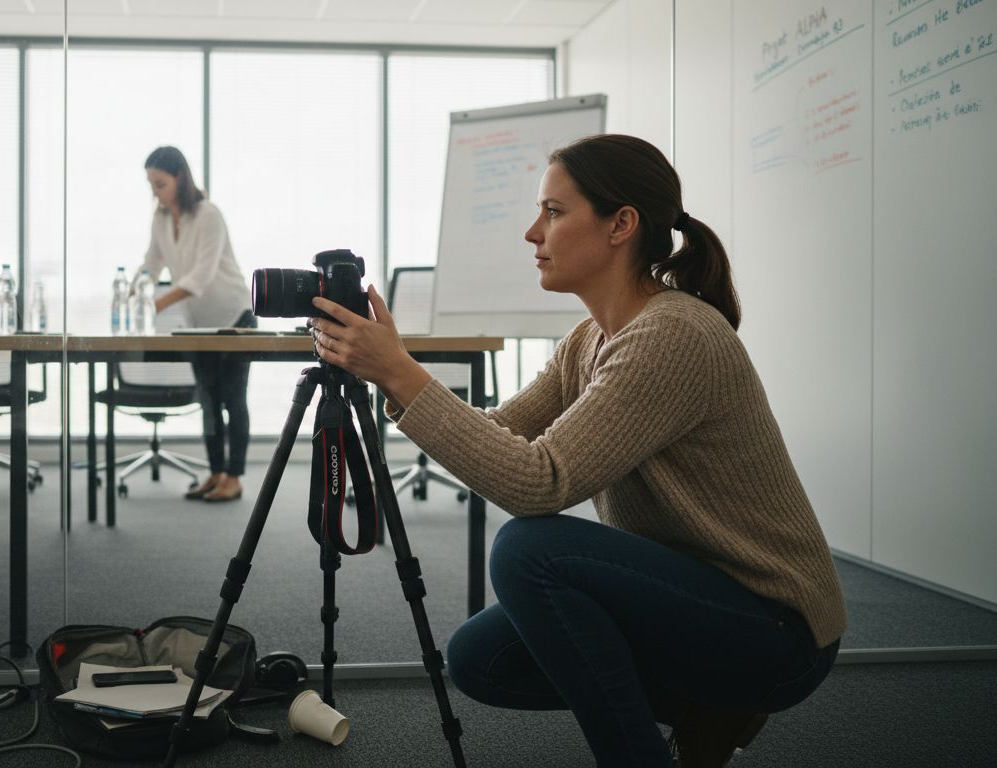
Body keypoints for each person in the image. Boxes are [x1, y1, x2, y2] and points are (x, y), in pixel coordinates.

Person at [307, 134, 846, 767]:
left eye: (554, 212)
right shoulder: (590, 339)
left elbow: (539, 483)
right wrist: (393, 373)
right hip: (693, 593)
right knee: (480, 660)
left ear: (621, 224)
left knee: (529, 550)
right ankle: (706, 706)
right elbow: (501, 432)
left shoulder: (673, 335)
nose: (533, 232)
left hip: (776, 627)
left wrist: (401, 373)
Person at [139, 146, 255, 503]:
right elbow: (150, 265)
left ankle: (233, 478)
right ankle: (216, 473)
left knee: (233, 399)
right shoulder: (160, 220)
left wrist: (153, 305)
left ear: (180, 178)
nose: (155, 192)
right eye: (151, 185)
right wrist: (132, 293)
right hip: (198, 323)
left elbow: (200, 277)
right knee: (208, 401)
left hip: (235, 317)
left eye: (160, 184)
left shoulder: (208, 215)